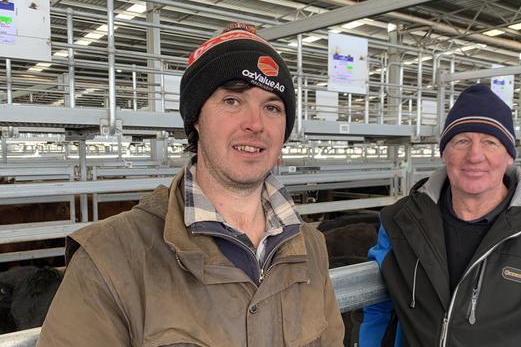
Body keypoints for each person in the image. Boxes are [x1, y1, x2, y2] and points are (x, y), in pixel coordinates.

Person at [37, 23, 344, 346]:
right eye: (232, 101)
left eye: (272, 107)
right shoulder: (111, 257)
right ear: (196, 118)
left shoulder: (310, 246)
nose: (255, 123)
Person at [360, 84, 521, 346]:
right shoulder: (400, 223)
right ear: (444, 153)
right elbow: (380, 314)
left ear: (509, 156)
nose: (475, 155)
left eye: (490, 142)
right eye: (461, 141)